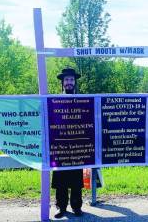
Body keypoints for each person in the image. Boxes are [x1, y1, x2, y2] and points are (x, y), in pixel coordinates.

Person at [53, 68, 84, 218]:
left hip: (78, 146)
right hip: (60, 146)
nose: (69, 82)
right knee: (61, 179)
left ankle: (77, 206)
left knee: (76, 179)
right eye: (67, 80)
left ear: (74, 82)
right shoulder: (54, 100)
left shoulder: (83, 101)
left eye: (71, 80)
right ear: (62, 82)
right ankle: (61, 207)